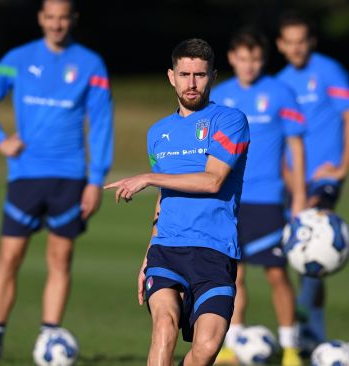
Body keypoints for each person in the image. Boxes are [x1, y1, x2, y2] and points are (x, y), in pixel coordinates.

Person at [0, 0, 113, 363]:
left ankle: (49, 338)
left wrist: (96, 180)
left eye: (63, 18)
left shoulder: (91, 64)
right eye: (50, 17)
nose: (57, 24)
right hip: (25, 176)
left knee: (60, 259)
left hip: (70, 178)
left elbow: (101, 125)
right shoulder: (18, 58)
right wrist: (0, 139)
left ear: (73, 20)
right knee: (10, 257)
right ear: (41, 19)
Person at [104, 38, 249, 366]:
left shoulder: (230, 121)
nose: (192, 83)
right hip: (167, 250)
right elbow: (164, 199)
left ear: (213, 76)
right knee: (164, 326)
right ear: (172, 76)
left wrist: (148, 177)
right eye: (185, 74)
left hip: (215, 252)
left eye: (200, 74)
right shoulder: (158, 133)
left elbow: (213, 181)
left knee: (208, 346)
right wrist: (146, 255)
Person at [211, 28, 306, 366]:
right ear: (232, 59)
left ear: (262, 60)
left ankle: (291, 346)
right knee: (233, 275)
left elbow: (296, 146)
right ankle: (232, 344)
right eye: (242, 58)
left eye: (255, 59)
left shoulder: (281, 93)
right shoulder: (219, 96)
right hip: (228, 199)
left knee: (277, 273)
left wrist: (299, 197)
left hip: (268, 199)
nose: (248, 65)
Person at [275, 11, 349, 349]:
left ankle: (310, 328)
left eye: (302, 41)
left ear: (311, 41)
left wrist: (341, 169)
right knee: (297, 252)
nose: (296, 48)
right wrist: (287, 176)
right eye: (290, 42)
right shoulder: (280, 82)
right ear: (282, 45)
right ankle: (311, 329)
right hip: (290, 178)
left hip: (323, 179)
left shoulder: (329, 71)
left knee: (315, 241)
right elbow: (279, 137)